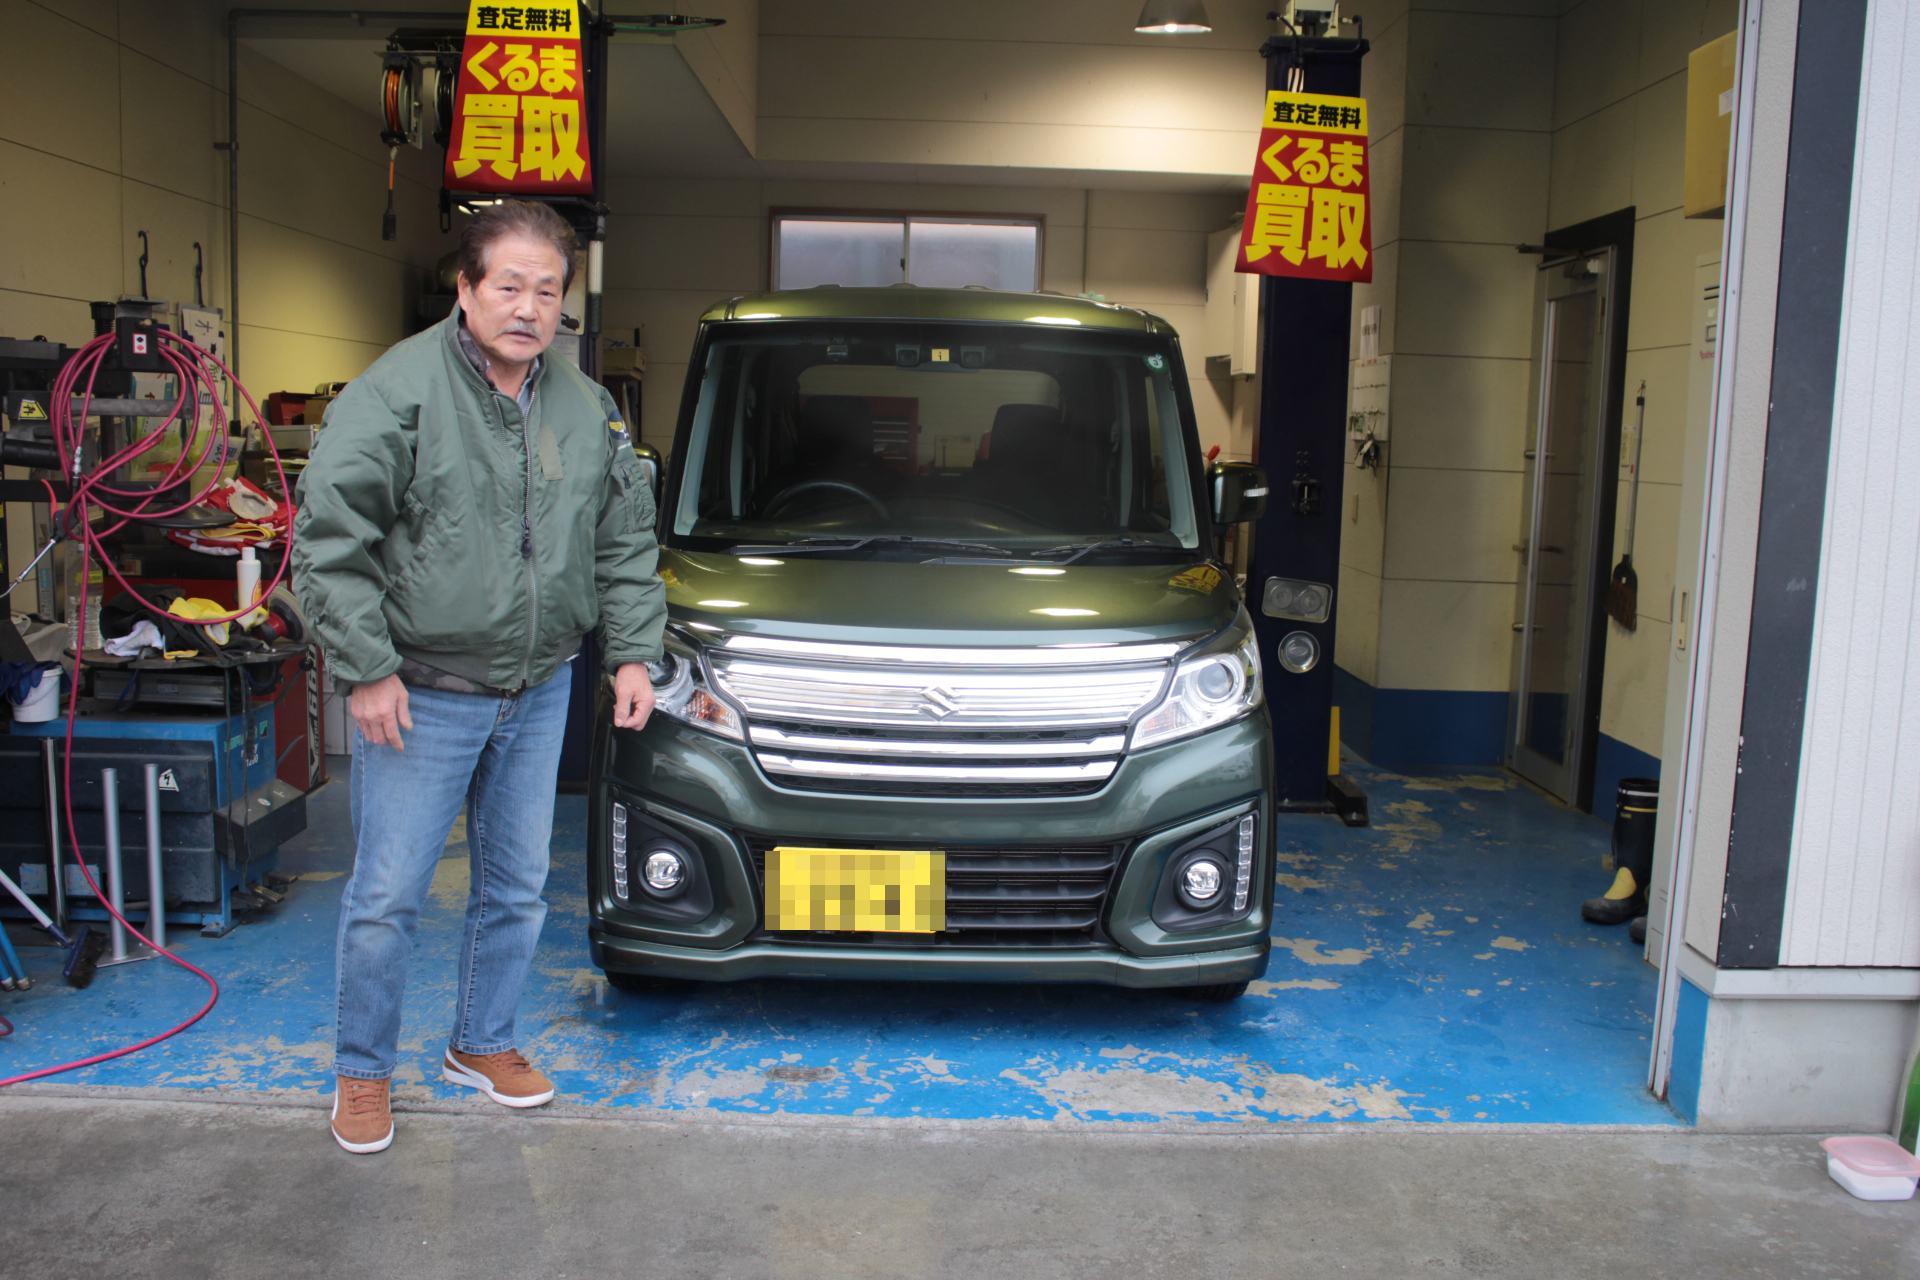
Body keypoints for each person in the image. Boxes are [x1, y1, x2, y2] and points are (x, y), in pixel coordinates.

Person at [293, 200, 664, 1154]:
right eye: (509, 286)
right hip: (421, 692)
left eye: (548, 291)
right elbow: (330, 541)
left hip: (539, 690)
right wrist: (366, 669)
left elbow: (623, 540)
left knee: (518, 887)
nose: (529, 308)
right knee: (388, 896)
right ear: (466, 288)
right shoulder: (398, 392)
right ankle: (363, 1073)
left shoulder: (586, 406)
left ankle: (482, 1041)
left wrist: (631, 652)